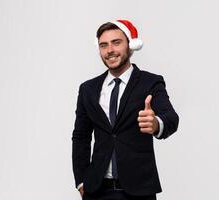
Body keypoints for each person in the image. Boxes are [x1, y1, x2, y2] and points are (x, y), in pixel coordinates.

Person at [72, 19, 179, 200]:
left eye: (116, 42)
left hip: (139, 190)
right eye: (103, 45)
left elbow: (171, 118)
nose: (110, 50)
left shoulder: (150, 82)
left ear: (130, 45)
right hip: (97, 190)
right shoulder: (87, 89)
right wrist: (81, 181)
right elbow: (81, 136)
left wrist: (155, 124)